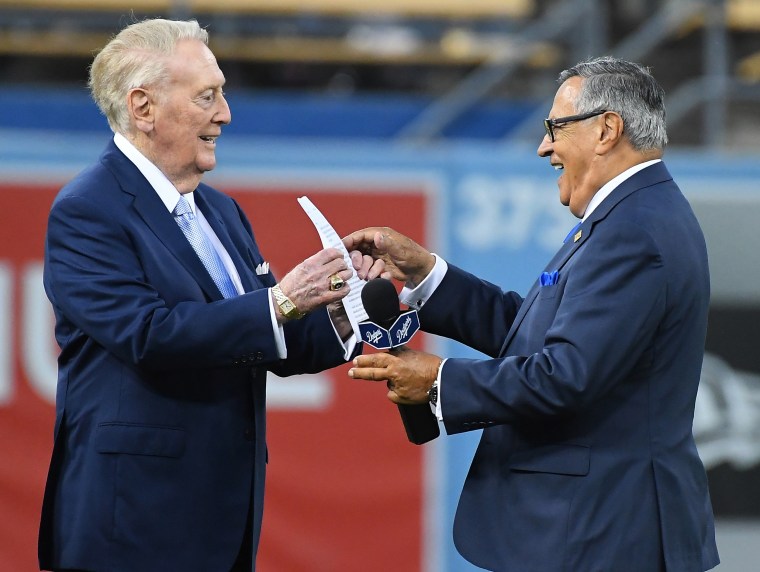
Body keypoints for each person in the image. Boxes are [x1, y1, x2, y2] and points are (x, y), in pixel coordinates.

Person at [346, 57, 719, 571]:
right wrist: (428, 274)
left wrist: (440, 382)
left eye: (555, 128)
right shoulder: (634, 214)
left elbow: (566, 375)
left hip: (602, 533)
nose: (544, 146)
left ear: (606, 130)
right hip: (596, 529)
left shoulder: (633, 230)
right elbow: (541, 338)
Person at [38, 18, 383, 572]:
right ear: (143, 107)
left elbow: (273, 342)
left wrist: (353, 301)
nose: (225, 114)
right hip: (131, 525)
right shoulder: (87, 210)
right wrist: (284, 300)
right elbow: (150, 335)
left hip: (221, 519)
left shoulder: (219, 210)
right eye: (208, 97)